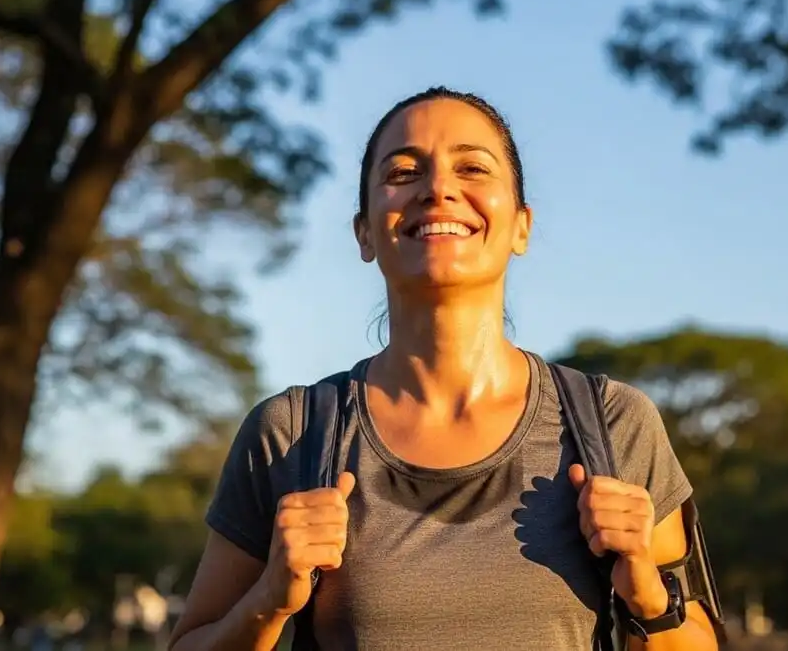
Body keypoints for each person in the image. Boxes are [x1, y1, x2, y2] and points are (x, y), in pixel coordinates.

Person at [167, 87, 720, 651]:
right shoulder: (292, 434)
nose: (437, 190)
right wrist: (268, 601)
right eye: (404, 172)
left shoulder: (612, 425)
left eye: (473, 168)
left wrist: (648, 599)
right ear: (364, 232)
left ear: (522, 225)